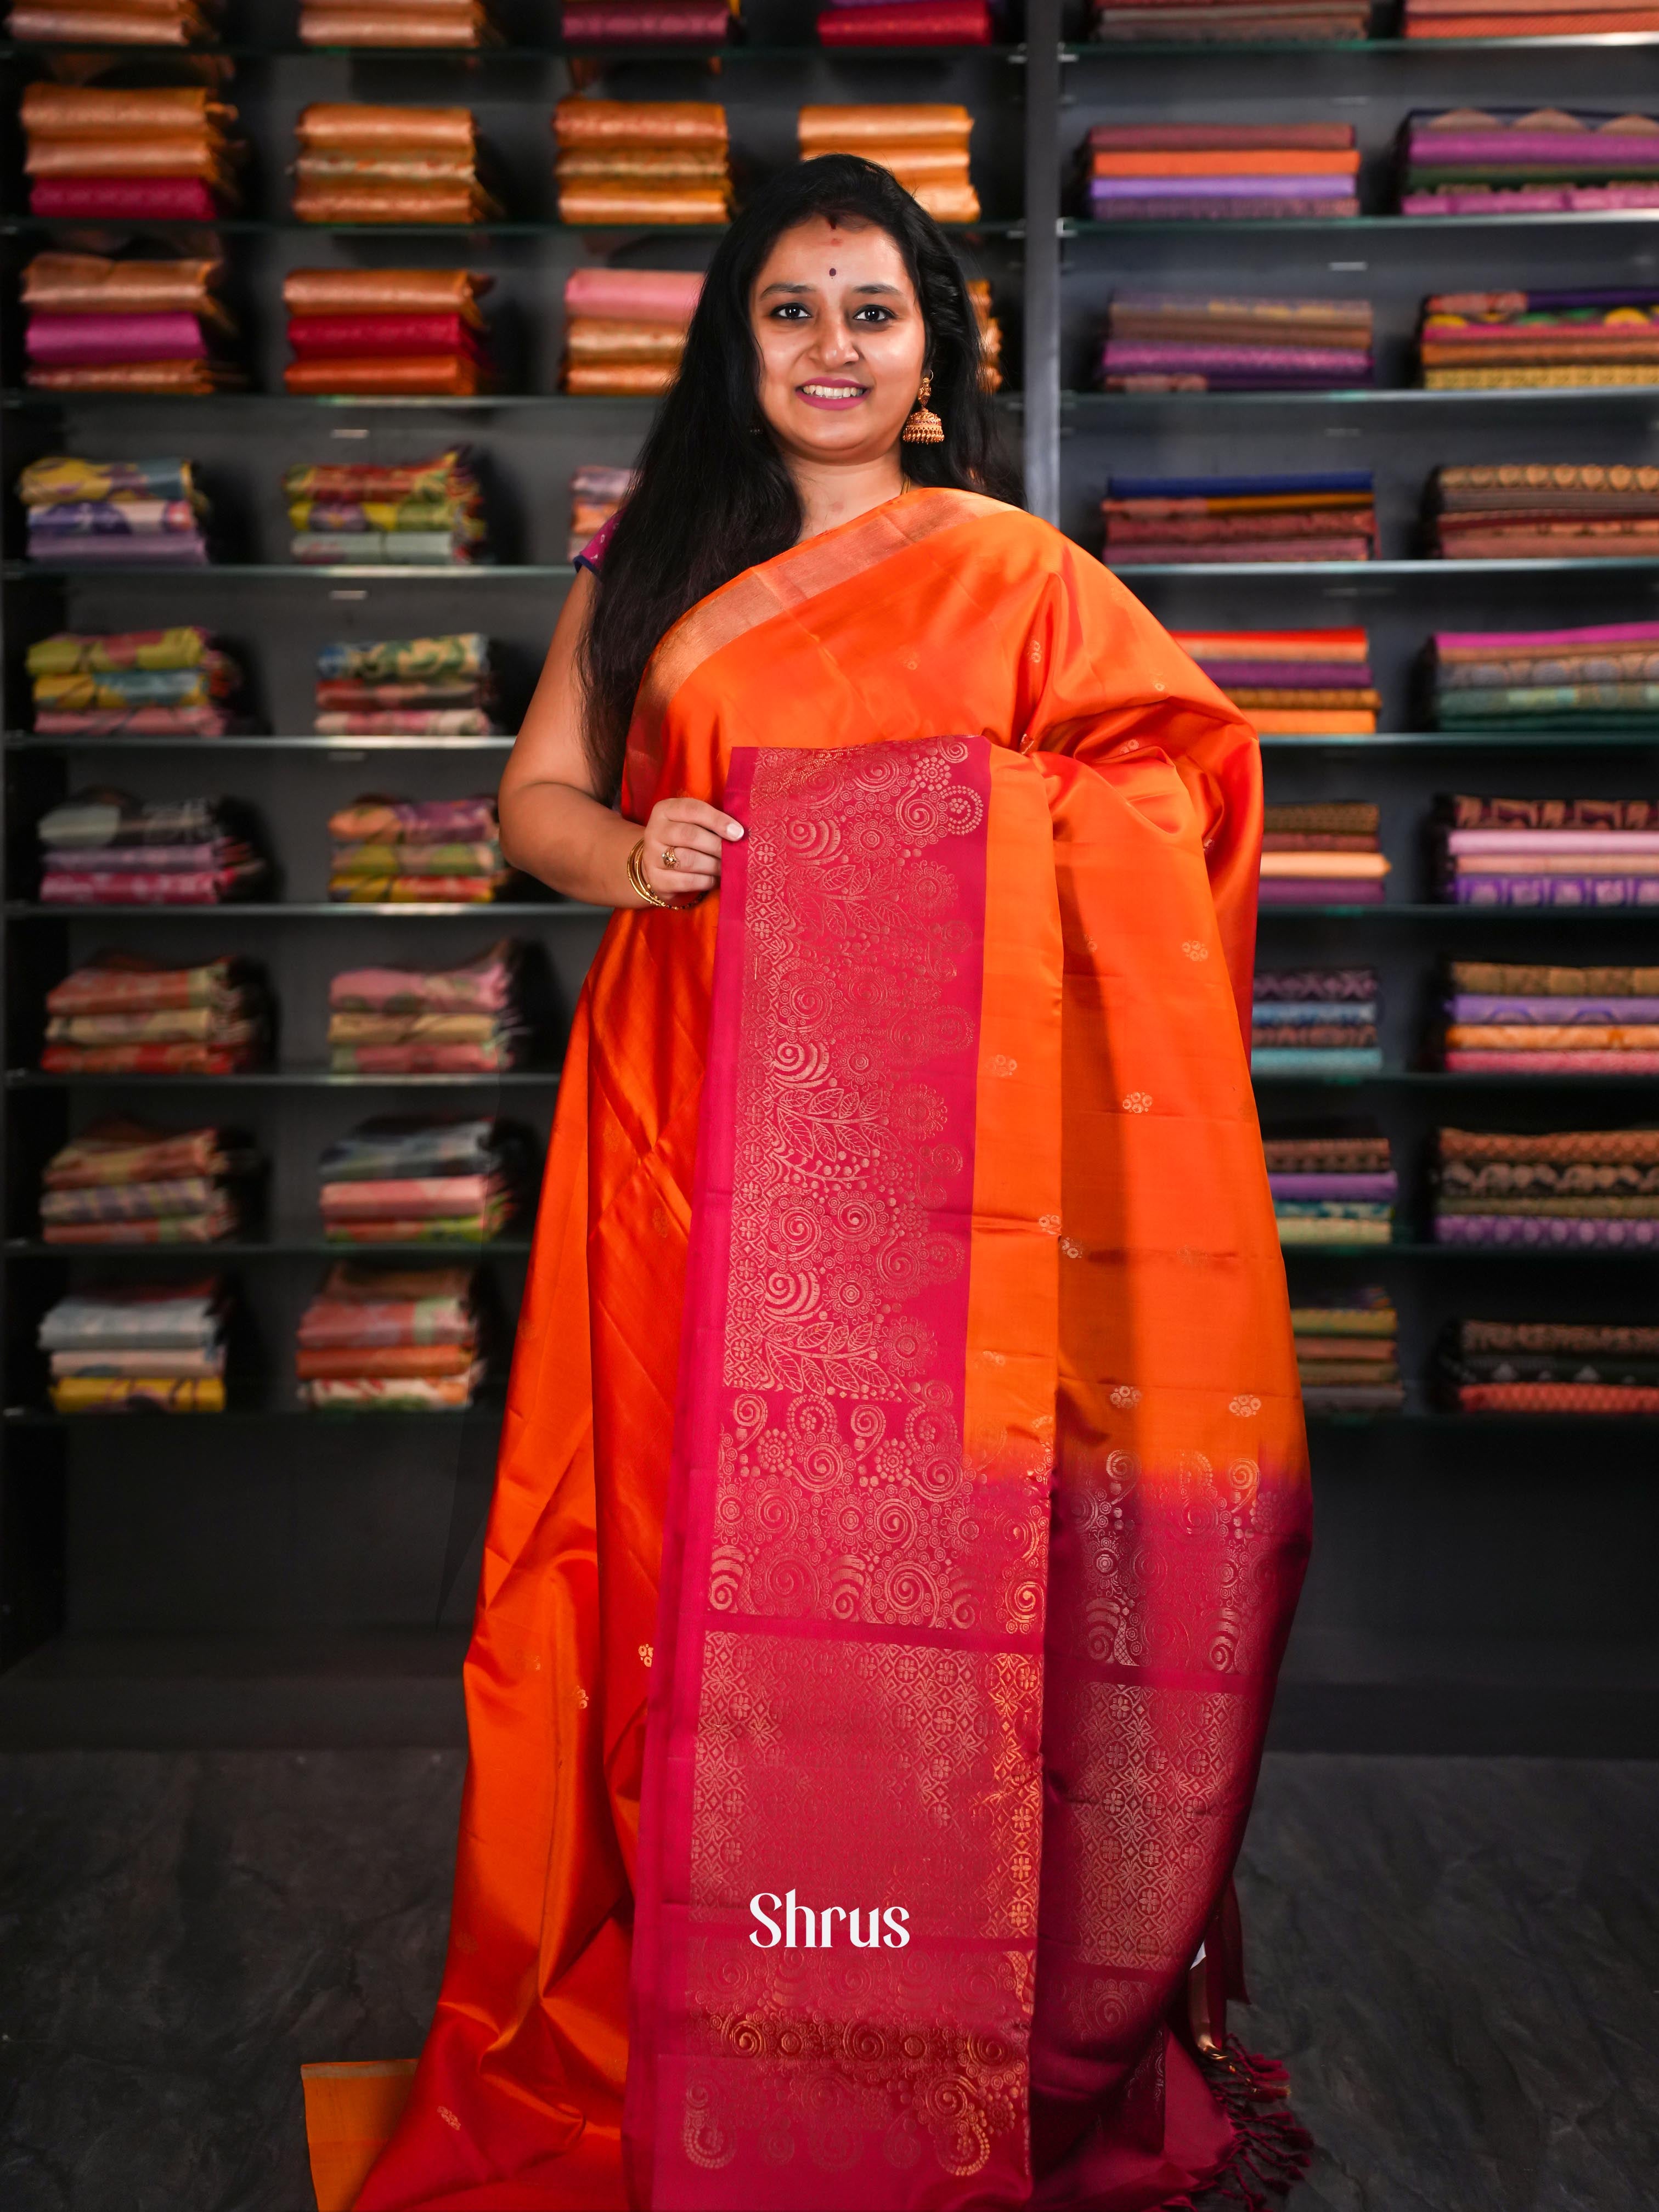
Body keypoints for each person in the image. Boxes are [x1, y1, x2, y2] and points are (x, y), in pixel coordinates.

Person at [302, 153, 1313, 2212]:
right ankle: (717, 1994)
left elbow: (1181, 793)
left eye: (872, 309)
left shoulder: (1018, 574)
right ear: (733, 342)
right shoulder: (658, 557)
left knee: (936, 1586)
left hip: (951, 1180)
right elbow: (537, 803)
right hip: (696, 1138)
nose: (832, 347)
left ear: (933, 352)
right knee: (680, 1566)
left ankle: (930, 2021)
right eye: (790, 308)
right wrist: (641, 853)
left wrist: (990, 831)